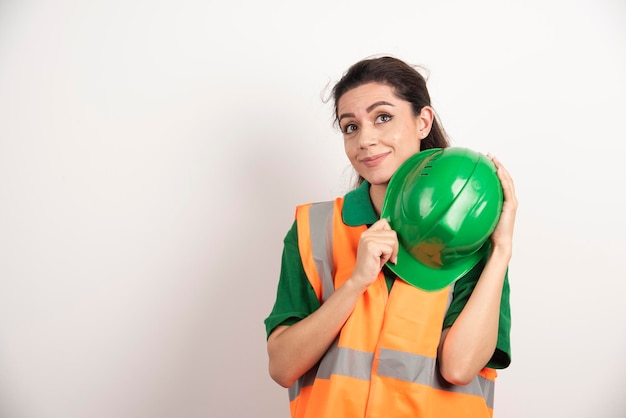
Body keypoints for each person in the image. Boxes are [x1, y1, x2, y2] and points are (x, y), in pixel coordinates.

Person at [264, 55, 518, 418]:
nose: (365, 139)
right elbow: (282, 366)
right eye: (350, 126)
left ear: (422, 121)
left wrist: (502, 249)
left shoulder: (471, 236)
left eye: (383, 117)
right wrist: (354, 284)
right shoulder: (313, 227)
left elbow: (459, 367)